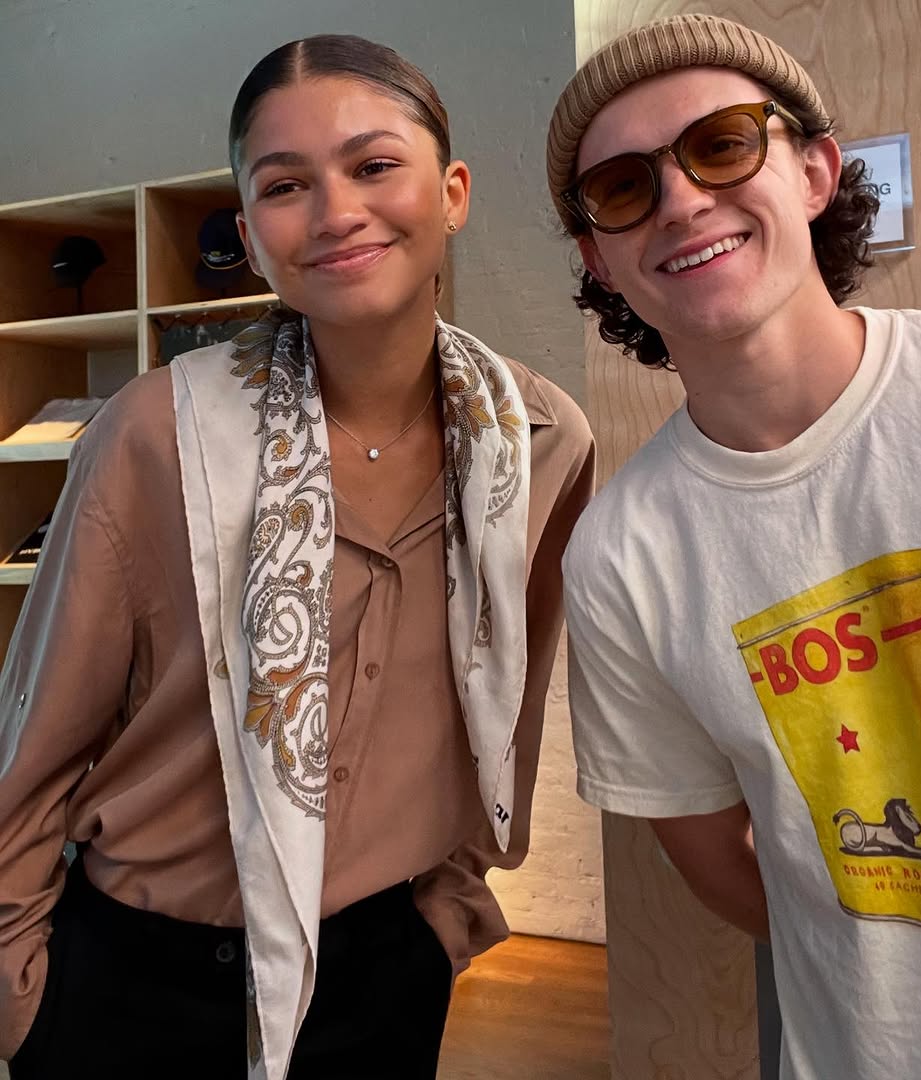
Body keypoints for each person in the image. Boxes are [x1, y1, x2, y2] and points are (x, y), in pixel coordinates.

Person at [0, 33, 593, 1080]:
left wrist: (445, 914)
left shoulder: (539, 442)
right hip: (139, 984)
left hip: (381, 975)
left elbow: (508, 710)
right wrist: (21, 1000)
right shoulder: (156, 435)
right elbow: (35, 745)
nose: (334, 211)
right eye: (284, 185)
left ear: (452, 192)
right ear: (249, 230)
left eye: (374, 165)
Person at [547, 13, 921, 1078]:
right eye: (623, 187)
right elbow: (721, 864)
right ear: (599, 260)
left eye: (722, 145)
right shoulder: (617, 557)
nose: (681, 200)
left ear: (815, 171)